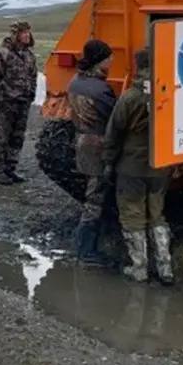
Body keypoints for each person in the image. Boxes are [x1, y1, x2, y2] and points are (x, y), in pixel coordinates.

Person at [102, 47, 173, 284]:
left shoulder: (130, 97)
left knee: (132, 215)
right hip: (160, 166)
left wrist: (108, 162)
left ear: (139, 66)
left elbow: (114, 132)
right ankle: (165, 268)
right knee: (157, 215)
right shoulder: (169, 92)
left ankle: (139, 267)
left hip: (131, 167)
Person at [66, 39, 117, 262]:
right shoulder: (101, 89)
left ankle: (85, 246)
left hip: (81, 140)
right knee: (95, 198)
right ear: (99, 60)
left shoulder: (75, 82)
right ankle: (86, 250)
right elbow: (115, 119)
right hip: (97, 144)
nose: (111, 60)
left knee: (92, 192)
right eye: (108, 57)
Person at [0, 20, 37, 185]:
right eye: (23, 32)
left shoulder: (29, 55)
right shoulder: (2, 54)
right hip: (7, 103)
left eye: (28, 32)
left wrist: (31, 95)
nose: (27, 35)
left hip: (23, 103)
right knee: (2, 138)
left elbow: (33, 76)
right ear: (15, 35)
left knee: (17, 138)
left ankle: (10, 169)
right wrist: (1, 98)